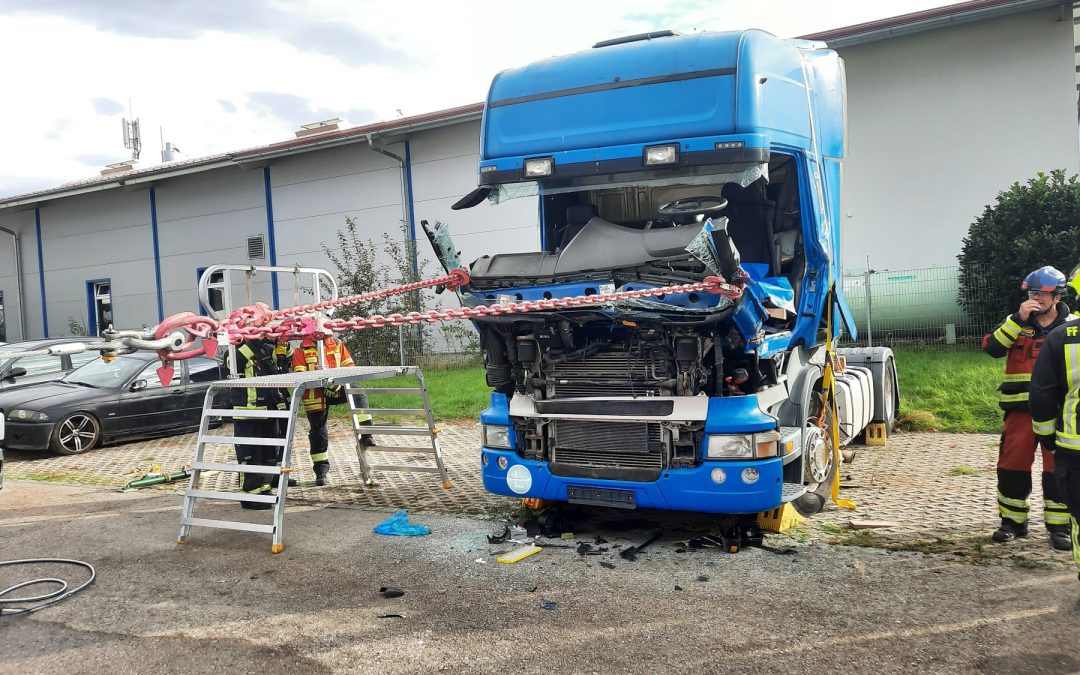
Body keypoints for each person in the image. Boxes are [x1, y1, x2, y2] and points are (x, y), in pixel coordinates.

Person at [982, 266, 1072, 550]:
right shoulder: (1015, 322)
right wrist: (1017, 320)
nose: (1036, 298)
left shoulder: (1072, 326)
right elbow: (992, 348)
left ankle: (1060, 528)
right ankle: (1012, 522)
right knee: (1012, 465)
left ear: (1057, 297)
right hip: (1020, 410)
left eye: (1043, 293)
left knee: (1058, 468)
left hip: (1059, 413)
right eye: (1033, 292)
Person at [1028, 275, 1080, 580]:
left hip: (1073, 447)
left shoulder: (1063, 336)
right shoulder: (1019, 321)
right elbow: (992, 346)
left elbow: (1042, 394)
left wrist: (1047, 437)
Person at [291, 335, 372, 486]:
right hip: (315, 394)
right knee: (318, 432)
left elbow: (349, 367)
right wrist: (321, 382)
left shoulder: (336, 343)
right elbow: (300, 375)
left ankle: (366, 433)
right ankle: (320, 472)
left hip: (337, 388)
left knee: (358, 392)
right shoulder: (301, 349)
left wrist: (338, 383)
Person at [232, 339, 287, 509]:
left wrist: (282, 344)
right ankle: (249, 495)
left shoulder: (266, 349)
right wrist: (252, 341)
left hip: (269, 410)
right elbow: (235, 364)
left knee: (269, 455)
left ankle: (264, 490)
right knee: (250, 456)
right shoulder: (234, 351)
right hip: (248, 415)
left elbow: (281, 365)